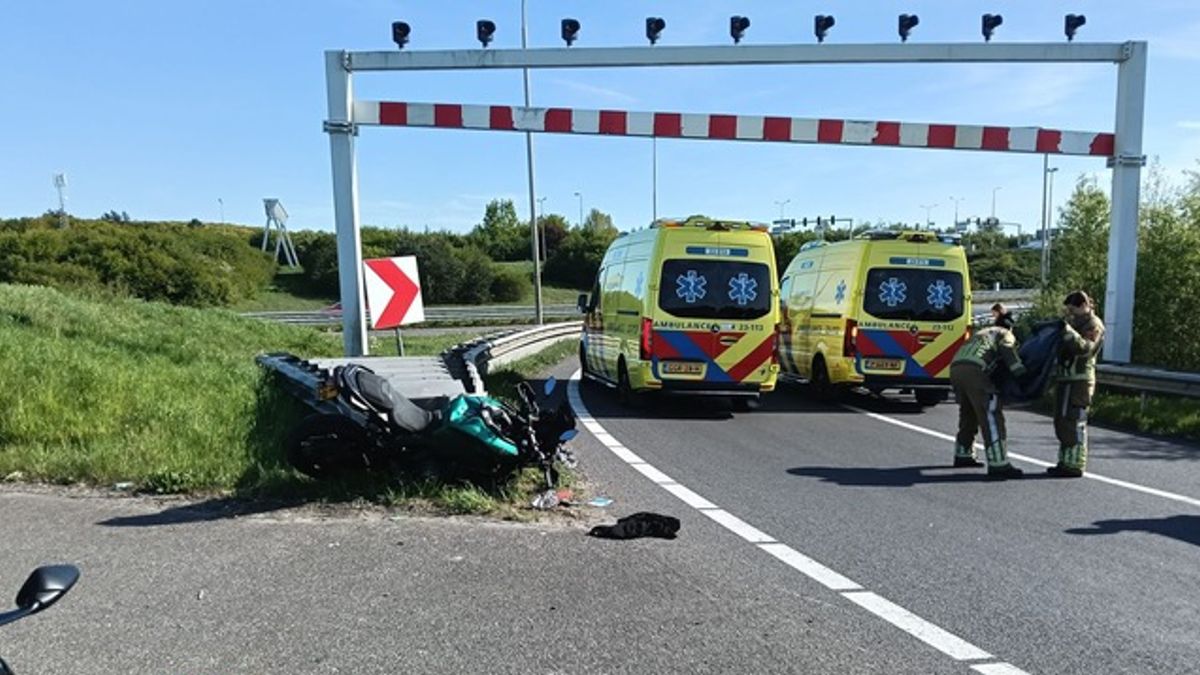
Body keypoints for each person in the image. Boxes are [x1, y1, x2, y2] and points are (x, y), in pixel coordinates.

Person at [950, 305, 1026, 480]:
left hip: (956, 369)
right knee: (990, 413)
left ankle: (963, 453)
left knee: (968, 412)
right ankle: (999, 463)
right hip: (976, 371)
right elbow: (1008, 352)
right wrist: (1021, 373)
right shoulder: (1004, 333)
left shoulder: (982, 332)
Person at [1047, 291, 1106, 478]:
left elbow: (1086, 349)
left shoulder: (1093, 325)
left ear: (1083, 306)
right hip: (1066, 380)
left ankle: (1075, 465)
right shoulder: (1075, 323)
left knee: (1073, 421)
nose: (1070, 314)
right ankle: (1065, 462)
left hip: (1080, 381)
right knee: (1061, 421)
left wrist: (1067, 332)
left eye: (1073, 310)